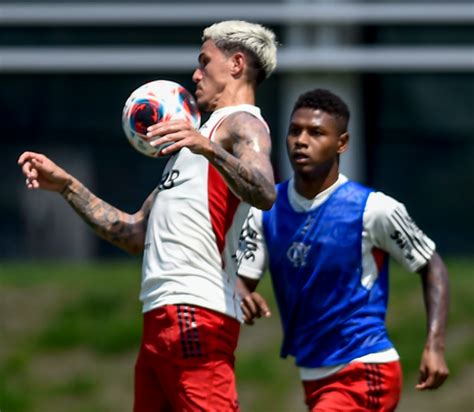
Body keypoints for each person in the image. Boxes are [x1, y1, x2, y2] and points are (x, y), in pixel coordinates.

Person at [18, 20, 278, 412]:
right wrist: (67, 186)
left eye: (204, 62)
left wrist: (207, 148)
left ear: (237, 63)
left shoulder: (243, 123)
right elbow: (134, 233)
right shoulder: (192, 143)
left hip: (197, 313)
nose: (195, 74)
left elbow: (264, 190)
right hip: (161, 318)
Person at [237, 88, 449, 411]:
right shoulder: (265, 210)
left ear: (342, 143)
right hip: (313, 374)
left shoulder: (374, 209)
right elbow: (241, 284)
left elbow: (431, 264)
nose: (301, 140)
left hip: (365, 368)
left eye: (316, 132)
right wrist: (239, 294)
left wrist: (434, 345)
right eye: (295, 130)